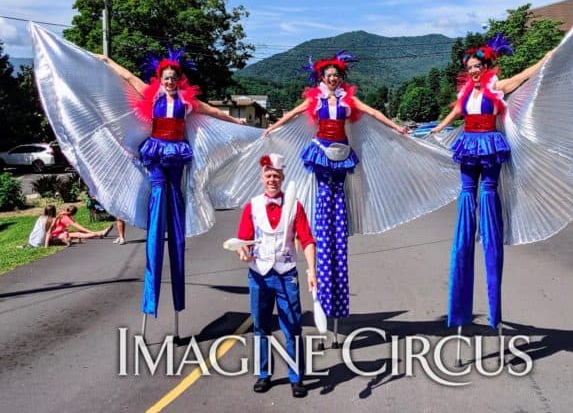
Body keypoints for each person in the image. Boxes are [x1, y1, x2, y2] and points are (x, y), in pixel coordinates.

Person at [98, 51, 247, 318]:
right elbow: (127, 76)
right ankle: (157, 230)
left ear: (179, 81)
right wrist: (106, 61)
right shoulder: (151, 95)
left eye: (173, 79)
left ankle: (174, 225)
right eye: (166, 78)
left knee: (174, 198)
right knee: (158, 195)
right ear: (160, 79)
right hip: (156, 152)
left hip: (176, 153)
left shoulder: (187, 102)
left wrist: (237, 121)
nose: (169, 82)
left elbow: (213, 111)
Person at [264, 52, 406, 324]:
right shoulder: (314, 98)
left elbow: (373, 112)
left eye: (336, 76)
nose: (332, 79)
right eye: (328, 76)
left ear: (341, 78)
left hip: (341, 153)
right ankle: (322, 235)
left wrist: (396, 127)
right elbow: (293, 114)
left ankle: (336, 229)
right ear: (322, 78)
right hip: (321, 151)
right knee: (323, 202)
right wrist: (272, 127)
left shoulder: (347, 99)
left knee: (337, 200)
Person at [431, 36, 553, 330]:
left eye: (477, 67)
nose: (473, 71)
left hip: (489, 146)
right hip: (468, 146)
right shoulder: (466, 93)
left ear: (486, 66)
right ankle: (466, 238)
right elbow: (457, 112)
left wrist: (547, 58)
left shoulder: (495, 86)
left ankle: (487, 234)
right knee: (465, 196)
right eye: (470, 67)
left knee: (487, 194)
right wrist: (439, 127)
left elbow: (523, 77)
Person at [235, 153, 316, 398]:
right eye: (268, 175)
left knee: (292, 326)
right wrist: (243, 251)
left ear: (282, 178)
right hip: (259, 275)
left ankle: (296, 377)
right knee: (260, 326)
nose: (272, 180)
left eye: (276, 176)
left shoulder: (295, 205)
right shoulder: (252, 206)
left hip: (286, 273)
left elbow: (307, 240)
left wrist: (312, 270)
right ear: (262, 178)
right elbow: (243, 240)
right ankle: (264, 374)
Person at [46, 205, 113, 247]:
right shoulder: (65, 217)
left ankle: (100, 233)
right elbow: (79, 227)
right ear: (74, 213)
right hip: (55, 236)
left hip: (58, 234)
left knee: (77, 233)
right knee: (78, 233)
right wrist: (92, 232)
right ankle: (100, 233)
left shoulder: (63, 215)